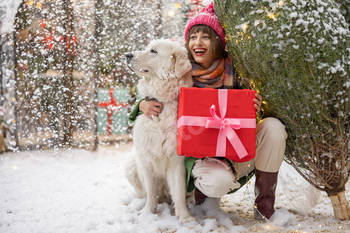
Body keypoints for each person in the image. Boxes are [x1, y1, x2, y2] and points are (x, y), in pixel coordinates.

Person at [128, 2, 287, 222]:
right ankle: (204, 199)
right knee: (215, 180)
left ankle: (264, 206)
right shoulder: (181, 73)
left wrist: (253, 108)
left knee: (274, 127)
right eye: (193, 36)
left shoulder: (237, 70)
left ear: (218, 43)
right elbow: (160, 89)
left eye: (205, 36)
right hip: (207, 158)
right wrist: (141, 105)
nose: (198, 42)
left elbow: (247, 113)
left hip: (236, 151)